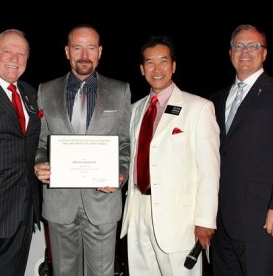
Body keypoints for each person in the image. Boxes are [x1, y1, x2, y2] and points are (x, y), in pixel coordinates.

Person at [34, 24, 131, 276]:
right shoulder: (45, 90)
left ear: (100, 51)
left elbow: (124, 143)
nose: (84, 54)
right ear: (67, 51)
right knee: (64, 272)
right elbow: (41, 141)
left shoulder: (120, 91)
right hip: (59, 203)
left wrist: (120, 174)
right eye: (77, 47)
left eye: (91, 47)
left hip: (103, 202)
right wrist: (40, 163)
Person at [120, 35, 220, 276]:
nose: (157, 69)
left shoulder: (198, 108)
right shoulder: (134, 110)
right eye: (150, 62)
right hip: (138, 211)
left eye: (163, 61)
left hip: (179, 220)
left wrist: (206, 220)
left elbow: (209, 169)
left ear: (173, 66)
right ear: (142, 69)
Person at [0, 29, 41, 275]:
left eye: (21, 54)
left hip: (22, 215)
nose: (14, 58)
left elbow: (31, 147)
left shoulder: (31, 94)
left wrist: (42, 165)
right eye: (7, 51)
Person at [210, 24, 273, 275]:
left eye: (253, 46)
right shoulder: (214, 100)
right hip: (220, 220)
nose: (245, 51)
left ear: (264, 53)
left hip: (260, 220)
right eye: (239, 45)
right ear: (230, 53)